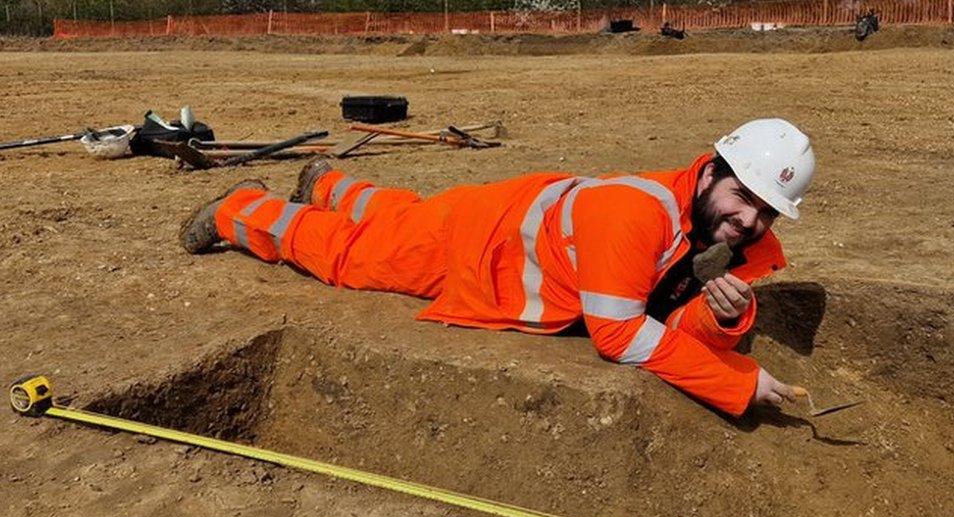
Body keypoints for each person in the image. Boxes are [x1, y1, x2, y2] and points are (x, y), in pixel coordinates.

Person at [180, 118, 815, 416]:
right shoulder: (636, 213)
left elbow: (673, 320)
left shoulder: (709, 223)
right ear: (709, 171)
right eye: (743, 198)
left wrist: (721, 317)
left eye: (768, 212)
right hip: (479, 247)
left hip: (500, 222)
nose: (752, 223)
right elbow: (619, 334)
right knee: (353, 256)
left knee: (404, 217)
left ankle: (328, 182)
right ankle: (242, 210)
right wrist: (739, 381)